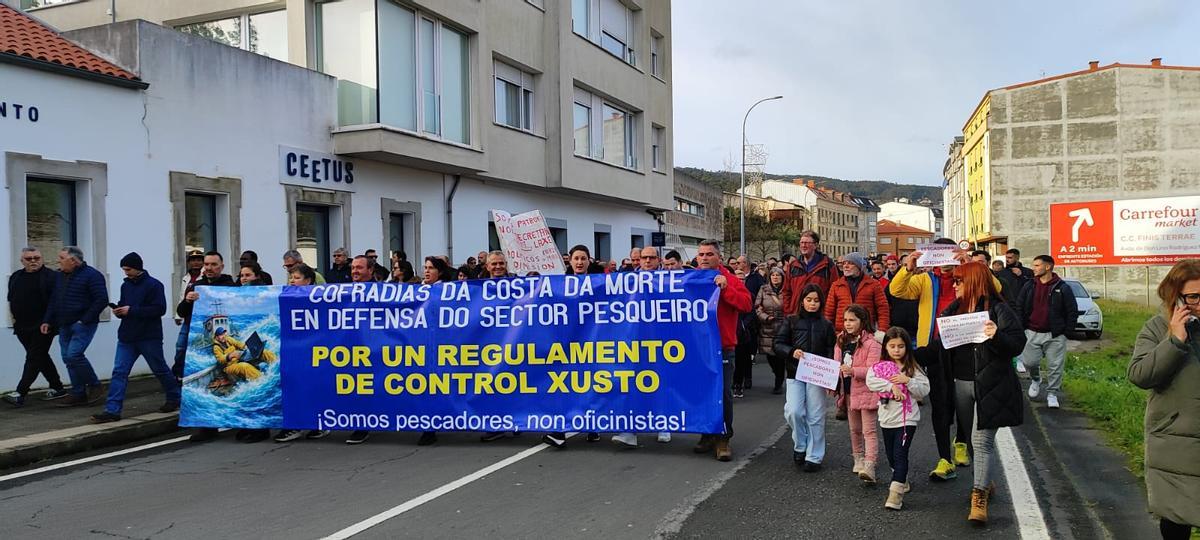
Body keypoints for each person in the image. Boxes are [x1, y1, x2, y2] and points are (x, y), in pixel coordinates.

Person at [941, 262, 1027, 523]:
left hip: (991, 385)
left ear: (974, 282)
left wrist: (997, 335)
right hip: (961, 382)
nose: (955, 285)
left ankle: (978, 496)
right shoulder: (954, 310)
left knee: (981, 442)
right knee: (970, 439)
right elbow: (941, 345)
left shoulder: (999, 309)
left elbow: (1017, 343)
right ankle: (985, 481)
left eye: (959, 281)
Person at [888, 239, 976, 481]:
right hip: (935, 347)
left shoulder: (969, 276)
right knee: (940, 403)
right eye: (939, 254)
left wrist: (970, 265)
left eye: (949, 254)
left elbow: (994, 287)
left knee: (963, 401)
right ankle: (944, 458)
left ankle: (961, 441)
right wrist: (907, 268)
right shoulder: (925, 279)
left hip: (964, 345)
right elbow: (897, 290)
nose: (945, 260)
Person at [1128, 260, 1200, 539]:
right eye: (1193, 297)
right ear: (1175, 297)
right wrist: (1175, 341)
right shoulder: (1157, 328)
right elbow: (1139, 374)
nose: (1199, 303)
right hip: (1174, 443)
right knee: (1176, 520)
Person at [90, 253, 181, 423]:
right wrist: (120, 311)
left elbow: (159, 309)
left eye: (128, 269)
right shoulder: (126, 286)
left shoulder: (154, 285)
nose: (126, 272)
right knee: (119, 372)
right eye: (124, 269)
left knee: (159, 369)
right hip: (127, 336)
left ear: (137, 267)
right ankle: (112, 410)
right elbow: (128, 306)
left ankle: (175, 396)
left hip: (148, 336)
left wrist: (130, 310)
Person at [691, 239, 751, 462]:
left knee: (723, 393)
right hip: (697, 348)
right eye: (701, 254)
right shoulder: (690, 279)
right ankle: (707, 434)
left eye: (709, 254)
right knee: (701, 392)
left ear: (719, 257)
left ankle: (723, 438)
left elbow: (746, 304)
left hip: (722, 347)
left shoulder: (731, 279)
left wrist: (726, 289)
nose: (704, 258)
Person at [610, 247, 673, 448]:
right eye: (643, 258)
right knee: (633, 384)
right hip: (634, 341)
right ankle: (630, 431)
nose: (646, 261)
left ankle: (663, 425)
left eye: (651, 258)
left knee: (659, 383)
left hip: (661, 340)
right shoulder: (626, 280)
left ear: (658, 260)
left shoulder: (670, 280)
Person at [542, 245, 603, 448]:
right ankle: (559, 431)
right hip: (568, 345)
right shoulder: (560, 284)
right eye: (576, 258)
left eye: (583, 258)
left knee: (591, 384)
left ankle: (593, 426)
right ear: (570, 260)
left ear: (589, 261)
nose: (579, 262)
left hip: (592, 343)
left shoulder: (600, 283)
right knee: (566, 386)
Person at [773, 284, 836, 471]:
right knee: (794, 411)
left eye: (816, 300)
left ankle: (814, 456)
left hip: (818, 375)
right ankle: (800, 443)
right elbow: (778, 344)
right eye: (809, 300)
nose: (812, 304)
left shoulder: (826, 325)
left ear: (821, 302)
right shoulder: (791, 321)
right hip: (795, 373)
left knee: (815, 416)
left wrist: (831, 374)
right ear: (802, 301)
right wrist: (791, 351)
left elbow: (831, 350)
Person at [867, 327, 930, 511]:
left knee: (900, 453)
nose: (896, 350)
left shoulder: (912, 368)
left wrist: (907, 381)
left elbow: (924, 389)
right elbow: (871, 381)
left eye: (901, 346)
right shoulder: (879, 367)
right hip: (887, 417)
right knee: (891, 455)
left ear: (907, 347)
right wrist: (890, 386)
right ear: (886, 347)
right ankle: (901, 477)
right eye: (892, 346)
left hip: (907, 418)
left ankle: (895, 493)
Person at [179, 251, 238, 443]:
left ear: (222, 266)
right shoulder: (197, 285)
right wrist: (188, 300)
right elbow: (181, 311)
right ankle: (207, 426)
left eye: (214, 264)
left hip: (226, 343)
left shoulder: (231, 286)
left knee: (233, 383)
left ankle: (239, 423)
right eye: (207, 264)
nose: (209, 268)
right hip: (205, 343)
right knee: (207, 386)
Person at [825, 252, 890, 420]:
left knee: (861, 369)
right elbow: (829, 311)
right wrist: (831, 332)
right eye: (844, 263)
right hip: (843, 334)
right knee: (843, 370)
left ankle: (865, 402)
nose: (846, 266)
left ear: (859, 266)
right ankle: (842, 403)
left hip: (865, 334)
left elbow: (882, 308)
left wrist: (882, 331)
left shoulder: (873, 284)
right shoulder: (837, 285)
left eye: (850, 263)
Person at [273, 263, 333, 443]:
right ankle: (294, 426)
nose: (292, 281)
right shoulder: (286, 297)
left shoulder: (321, 298)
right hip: (294, 352)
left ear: (308, 281)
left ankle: (319, 424)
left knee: (314, 388)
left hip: (315, 351)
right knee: (294, 388)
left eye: (297, 278)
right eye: (291, 277)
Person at [42, 246, 108, 407]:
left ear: (73, 260)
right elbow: (54, 299)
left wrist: (84, 320)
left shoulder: (92, 275)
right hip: (64, 323)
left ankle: (95, 385)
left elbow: (101, 299)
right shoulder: (60, 276)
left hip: (83, 324)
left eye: (62, 258)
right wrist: (47, 320)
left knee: (74, 355)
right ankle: (78, 393)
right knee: (68, 358)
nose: (59, 261)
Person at [3, 247, 67, 406]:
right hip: (22, 326)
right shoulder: (16, 277)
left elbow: (56, 302)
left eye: (36, 258)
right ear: (22, 261)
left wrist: (49, 321)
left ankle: (20, 392)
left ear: (42, 259)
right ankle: (58, 387)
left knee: (34, 357)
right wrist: (14, 321)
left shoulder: (51, 276)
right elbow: (11, 298)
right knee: (41, 357)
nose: (33, 261)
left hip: (43, 326)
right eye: (29, 258)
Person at [1016, 255, 1078, 409]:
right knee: (1029, 362)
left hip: (1055, 334)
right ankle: (1036, 379)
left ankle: (1052, 394)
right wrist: (1021, 326)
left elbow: (1072, 310)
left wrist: (1066, 332)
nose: (1034, 268)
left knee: (1055, 366)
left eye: (1037, 265)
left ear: (1048, 267)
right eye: (1034, 265)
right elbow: (1019, 306)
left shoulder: (1062, 287)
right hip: (1031, 331)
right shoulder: (1029, 285)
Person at [836, 304, 882, 484]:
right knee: (854, 429)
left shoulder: (872, 343)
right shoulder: (841, 340)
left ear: (862, 321)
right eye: (845, 320)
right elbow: (836, 364)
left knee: (869, 430)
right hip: (848, 392)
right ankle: (858, 458)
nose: (847, 323)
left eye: (852, 320)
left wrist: (853, 371)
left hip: (867, 391)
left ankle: (870, 465)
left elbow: (874, 370)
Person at [345, 255, 378, 445]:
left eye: (359, 267)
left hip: (377, 348)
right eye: (353, 268)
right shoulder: (345, 291)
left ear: (370, 270)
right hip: (354, 349)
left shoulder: (382, 292)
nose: (354, 271)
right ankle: (361, 425)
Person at [780, 230, 836, 316]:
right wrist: (789, 312)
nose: (803, 245)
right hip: (797, 315)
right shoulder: (793, 266)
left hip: (819, 316)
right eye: (801, 243)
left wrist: (827, 314)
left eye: (807, 243)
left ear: (815, 245)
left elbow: (834, 292)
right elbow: (786, 292)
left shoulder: (827, 265)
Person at [754, 268, 787, 394]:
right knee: (770, 356)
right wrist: (766, 317)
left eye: (778, 275)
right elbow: (757, 307)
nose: (775, 277)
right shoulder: (764, 289)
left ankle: (779, 380)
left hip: (783, 327)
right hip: (768, 327)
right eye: (773, 275)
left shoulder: (786, 290)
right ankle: (777, 373)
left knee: (780, 356)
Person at [175, 251, 204, 326]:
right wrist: (178, 316)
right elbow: (182, 296)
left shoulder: (205, 277)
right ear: (188, 263)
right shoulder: (186, 278)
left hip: (201, 317)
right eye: (193, 260)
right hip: (187, 317)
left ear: (203, 262)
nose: (196, 262)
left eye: (199, 260)